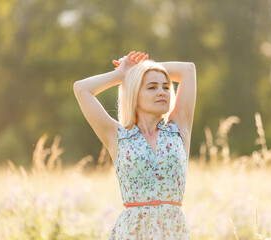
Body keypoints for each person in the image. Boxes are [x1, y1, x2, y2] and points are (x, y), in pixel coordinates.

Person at [73, 51, 196, 239]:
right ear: (134, 93)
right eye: (152, 87)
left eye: (165, 86)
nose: (162, 92)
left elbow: (188, 69)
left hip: (173, 232)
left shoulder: (179, 128)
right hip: (131, 232)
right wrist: (123, 74)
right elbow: (81, 88)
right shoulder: (117, 136)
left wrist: (141, 69)